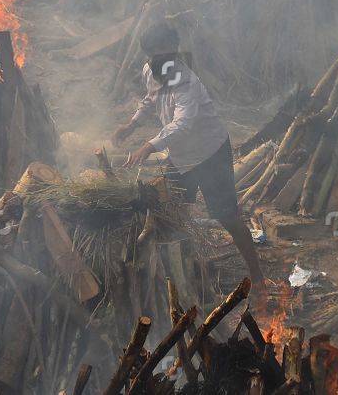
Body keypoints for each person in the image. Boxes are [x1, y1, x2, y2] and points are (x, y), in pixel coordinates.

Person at [113, 23, 265, 294]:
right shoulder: (152, 69)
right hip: (181, 155)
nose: (152, 61)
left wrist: (149, 146)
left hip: (210, 154)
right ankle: (189, 271)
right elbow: (151, 98)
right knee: (172, 212)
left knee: (226, 215)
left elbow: (183, 124)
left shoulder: (187, 83)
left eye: (157, 55)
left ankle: (258, 275)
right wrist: (132, 124)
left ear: (172, 51)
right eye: (149, 55)